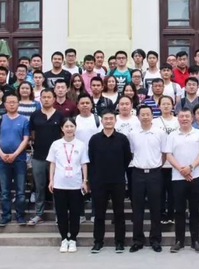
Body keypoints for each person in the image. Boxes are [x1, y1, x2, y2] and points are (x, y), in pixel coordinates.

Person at [165, 108, 199, 253]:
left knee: (194, 210)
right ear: (178, 118)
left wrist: (191, 167)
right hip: (178, 177)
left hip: (196, 176)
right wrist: (181, 170)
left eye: (187, 116)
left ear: (192, 118)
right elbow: (168, 155)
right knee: (179, 210)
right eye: (181, 116)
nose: (184, 119)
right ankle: (179, 241)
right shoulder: (172, 135)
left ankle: (196, 241)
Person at [88, 110, 132, 253]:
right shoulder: (94, 139)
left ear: (115, 121)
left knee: (119, 213)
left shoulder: (122, 139)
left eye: (111, 118)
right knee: (99, 214)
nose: (108, 121)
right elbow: (91, 160)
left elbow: (127, 159)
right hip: (99, 182)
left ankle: (119, 242)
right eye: (105, 118)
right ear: (102, 121)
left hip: (117, 181)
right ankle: (98, 242)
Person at [128, 105, 167, 252]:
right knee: (137, 208)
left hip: (155, 173)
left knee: (155, 208)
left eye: (148, 114)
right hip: (137, 173)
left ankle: (155, 239)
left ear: (152, 116)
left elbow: (164, 153)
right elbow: (132, 152)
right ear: (138, 117)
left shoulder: (160, 133)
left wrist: (157, 166)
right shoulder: (132, 133)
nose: (145, 117)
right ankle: (138, 240)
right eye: (142, 114)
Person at [48, 117, 89, 253]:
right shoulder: (56, 144)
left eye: (72, 126)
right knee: (61, 214)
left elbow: (84, 164)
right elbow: (52, 163)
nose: (69, 129)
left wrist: (85, 181)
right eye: (66, 126)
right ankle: (64, 238)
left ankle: (73, 239)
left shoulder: (81, 145)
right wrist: (51, 180)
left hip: (75, 185)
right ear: (62, 128)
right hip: (59, 184)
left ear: (75, 128)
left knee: (75, 214)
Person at [0, 94, 31, 227]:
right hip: (2, 159)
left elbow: (25, 139)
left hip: (19, 159)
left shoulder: (24, 120)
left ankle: (20, 215)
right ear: (5, 104)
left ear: (18, 104)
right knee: (4, 191)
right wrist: (1, 153)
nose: (12, 104)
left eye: (14, 102)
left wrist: (15, 154)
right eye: (9, 102)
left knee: (20, 191)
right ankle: (5, 216)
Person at [27, 89, 64, 226]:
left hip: (56, 158)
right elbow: (32, 134)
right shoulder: (35, 115)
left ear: (54, 99)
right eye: (44, 97)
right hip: (39, 155)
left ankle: (58, 214)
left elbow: (63, 134)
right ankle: (39, 214)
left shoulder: (60, 115)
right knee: (39, 186)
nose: (47, 99)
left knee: (57, 186)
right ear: (40, 99)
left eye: (49, 97)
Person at [156, 96, 179, 224]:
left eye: (168, 104)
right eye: (163, 104)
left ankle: (171, 214)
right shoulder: (155, 122)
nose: (166, 106)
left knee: (173, 190)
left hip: (175, 163)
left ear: (173, 106)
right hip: (159, 162)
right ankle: (161, 214)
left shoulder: (178, 121)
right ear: (159, 106)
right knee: (160, 190)